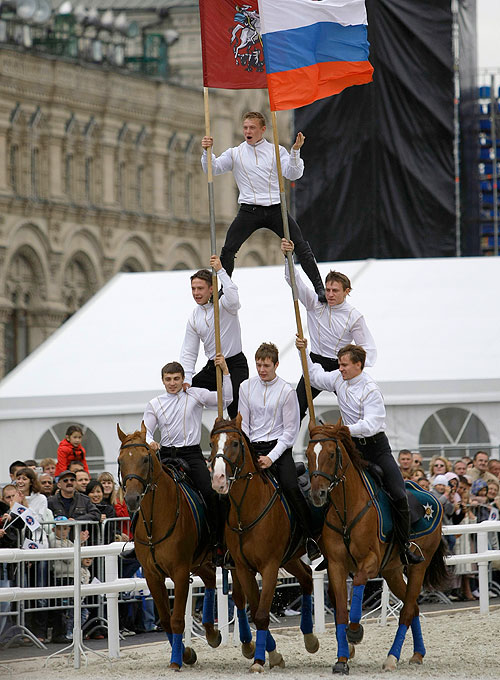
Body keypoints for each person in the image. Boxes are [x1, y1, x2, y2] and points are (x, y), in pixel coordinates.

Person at [296, 337, 424, 565]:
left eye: (344, 364)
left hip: (376, 448)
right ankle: (326, 546)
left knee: (398, 493)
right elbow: (314, 375)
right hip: (350, 447)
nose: (340, 368)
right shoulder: (338, 378)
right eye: (339, 364)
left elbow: (371, 425)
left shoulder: (371, 390)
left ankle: (404, 546)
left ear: (359, 365)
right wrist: (303, 351)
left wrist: (343, 430)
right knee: (325, 488)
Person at [201, 111, 326, 302]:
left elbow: (293, 174)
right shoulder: (236, 153)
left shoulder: (277, 151)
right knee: (228, 249)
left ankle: (320, 288)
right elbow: (213, 168)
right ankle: (224, 290)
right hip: (249, 210)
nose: (247, 131)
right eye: (245, 127)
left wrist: (295, 152)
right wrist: (207, 152)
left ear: (262, 130)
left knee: (300, 245)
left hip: (275, 208)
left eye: (252, 128)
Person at [142, 355, 232, 564]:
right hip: (165, 455)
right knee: (143, 492)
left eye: (176, 378)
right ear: (163, 381)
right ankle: (138, 540)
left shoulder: (195, 395)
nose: (172, 383)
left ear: (183, 378)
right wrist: (150, 442)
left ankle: (218, 543)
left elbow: (226, 399)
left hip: (191, 454)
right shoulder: (154, 403)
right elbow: (145, 430)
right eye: (168, 379)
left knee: (211, 494)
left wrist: (225, 373)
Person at [238, 342, 322, 563]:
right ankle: (224, 544)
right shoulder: (245, 387)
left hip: (279, 448)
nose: (262, 370)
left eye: (266, 365)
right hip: (251, 447)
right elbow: (243, 423)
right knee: (230, 486)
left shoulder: (287, 391)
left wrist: (270, 458)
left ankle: (311, 538)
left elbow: (290, 431)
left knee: (292, 487)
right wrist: (249, 450)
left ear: (276, 364)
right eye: (258, 365)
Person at [281, 238, 376, 421]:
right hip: (315, 363)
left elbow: (368, 348)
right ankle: (285, 449)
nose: (330, 294)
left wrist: (356, 368)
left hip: (340, 367)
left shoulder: (354, 317)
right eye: (328, 289)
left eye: (335, 291)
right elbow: (295, 283)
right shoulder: (315, 303)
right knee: (295, 409)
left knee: (354, 412)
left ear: (346, 291)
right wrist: (288, 257)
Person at [180, 255, 248, 419]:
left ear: (211, 289)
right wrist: (186, 378)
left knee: (235, 409)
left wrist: (220, 271)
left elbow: (234, 297)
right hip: (213, 366)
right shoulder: (194, 317)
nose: (196, 293)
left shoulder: (224, 304)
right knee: (185, 395)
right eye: (193, 289)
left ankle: (243, 441)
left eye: (200, 288)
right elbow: (189, 352)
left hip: (234, 364)